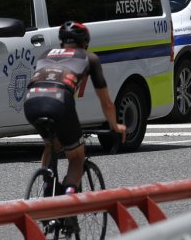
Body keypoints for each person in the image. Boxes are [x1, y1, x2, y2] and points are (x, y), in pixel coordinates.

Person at [23, 21, 126, 194]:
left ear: (62, 42)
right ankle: (69, 198)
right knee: (77, 156)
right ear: (85, 43)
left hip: (31, 101)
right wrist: (115, 126)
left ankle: (47, 187)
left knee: (51, 145)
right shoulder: (88, 57)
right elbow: (107, 103)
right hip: (59, 100)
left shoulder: (45, 54)